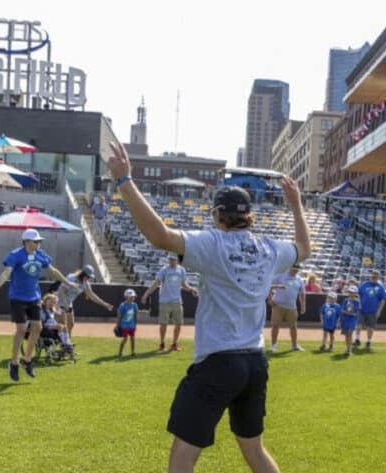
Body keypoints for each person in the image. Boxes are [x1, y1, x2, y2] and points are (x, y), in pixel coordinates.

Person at [106, 142, 310, 473]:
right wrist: (296, 204)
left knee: (183, 456)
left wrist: (125, 181)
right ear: (249, 216)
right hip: (254, 364)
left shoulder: (212, 244)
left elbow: (159, 236)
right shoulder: (270, 248)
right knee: (255, 451)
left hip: (218, 362)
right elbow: (304, 248)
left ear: (217, 214)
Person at [0, 228, 75, 382]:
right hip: (17, 297)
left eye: (40, 241)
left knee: (38, 327)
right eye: (36, 241)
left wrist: (67, 282)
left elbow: (52, 270)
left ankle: (26, 360)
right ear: (26, 242)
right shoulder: (16, 255)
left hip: (34, 297)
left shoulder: (41, 255)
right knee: (20, 329)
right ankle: (13, 362)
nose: (39, 243)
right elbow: (6, 272)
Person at [141, 254, 198, 352]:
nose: (171, 261)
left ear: (177, 260)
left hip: (177, 301)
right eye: (170, 259)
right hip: (164, 301)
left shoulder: (181, 270)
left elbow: (184, 284)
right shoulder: (164, 270)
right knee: (163, 324)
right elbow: (156, 283)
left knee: (179, 324)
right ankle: (162, 343)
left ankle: (174, 344)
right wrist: (146, 294)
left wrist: (191, 289)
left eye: (173, 259)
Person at [55, 264, 115, 336]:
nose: (88, 278)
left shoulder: (85, 283)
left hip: (68, 303)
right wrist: (65, 304)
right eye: (88, 276)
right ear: (83, 274)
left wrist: (105, 304)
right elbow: (62, 290)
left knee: (71, 324)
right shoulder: (72, 277)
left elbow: (91, 295)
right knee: (62, 324)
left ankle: (67, 341)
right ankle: (63, 342)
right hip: (59, 301)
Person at [268, 265, 306, 353]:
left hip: (292, 307)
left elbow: (302, 293)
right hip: (278, 305)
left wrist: (303, 305)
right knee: (275, 326)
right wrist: (270, 299)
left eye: (297, 269)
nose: (295, 271)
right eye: (294, 269)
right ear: (290, 268)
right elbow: (269, 286)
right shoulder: (280, 276)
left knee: (293, 326)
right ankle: (273, 345)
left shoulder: (299, 280)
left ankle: (294, 345)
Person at [356, 269, 386, 351]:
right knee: (358, 324)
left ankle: (368, 341)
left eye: (376, 275)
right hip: (361, 309)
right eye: (373, 274)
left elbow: (383, 300)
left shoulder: (380, 287)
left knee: (370, 327)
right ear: (370, 275)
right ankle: (357, 339)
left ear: (378, 277)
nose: (374, 276)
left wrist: (379, 311)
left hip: (372, 310)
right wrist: (358, 304)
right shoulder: (364, 284)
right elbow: (358, 294)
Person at [117, 289, 139, 358]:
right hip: (124, 326)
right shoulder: (122, 305)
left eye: (133, 297)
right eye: (130, 297)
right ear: (126, 297)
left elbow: (135, 315)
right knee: (125, 339)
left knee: (132, 339)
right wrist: (118, 325)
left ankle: (133, 352)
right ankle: (120, 353)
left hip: (132, 325)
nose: (132, 298)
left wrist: (135, 324)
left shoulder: (135, 305)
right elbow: (119, 316)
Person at [340, 287, 361, 357]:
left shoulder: (357, 302)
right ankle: (347, 349)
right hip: (345, 320)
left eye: (352, 292)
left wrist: (348, 313)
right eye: (350, 292)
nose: (351, 294)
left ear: (355, 293)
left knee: (350, 334)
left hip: (352, 321)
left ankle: (350, 350)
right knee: (346, 335)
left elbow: (355, 313)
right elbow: (342, 310)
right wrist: (348, 313)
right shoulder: (345, 300)